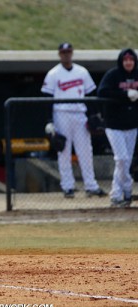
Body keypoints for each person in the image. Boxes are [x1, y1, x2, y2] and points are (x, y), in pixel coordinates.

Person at [41, 43, 106, 199]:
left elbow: (91, 94)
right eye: (63, 52)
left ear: (72, 53)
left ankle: (91, 186)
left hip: (79, 114)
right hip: (61, 114)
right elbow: (46, 99)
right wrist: (49, 120)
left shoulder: (81, 71)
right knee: (63, 151)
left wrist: (94, 114)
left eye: (68, 52)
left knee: (86, 152)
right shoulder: (53, 73)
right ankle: (68, 186)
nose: (66, 55)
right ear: (59, 54)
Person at [97, 48, 138, 207]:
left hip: (132, 125)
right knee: (121, 158)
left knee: (125, 161)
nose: (128, 63)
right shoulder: (113, 75)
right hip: (114, 125)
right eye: (125, 60)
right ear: (121, 62)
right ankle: (120, 192)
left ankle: (124, 194)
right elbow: (102, 92)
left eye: (131, 60)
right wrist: (125, 94)